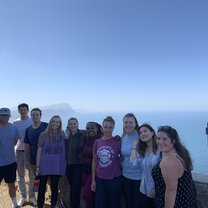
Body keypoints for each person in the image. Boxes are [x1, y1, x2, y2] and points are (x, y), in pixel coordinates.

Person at [152, 125, 198, 208]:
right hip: (187, 201)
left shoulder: (168, 162)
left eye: (165, 139)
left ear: (173, 141)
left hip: (176, 203)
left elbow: (171, 190)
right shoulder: (181, 153)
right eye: (158, 138)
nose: (160, 142)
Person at [91, 116, 122, 208]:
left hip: (114, 179)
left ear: (113, 128)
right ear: (102, 127)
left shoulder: (117, 141)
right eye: (105, 127)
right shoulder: (97, 142)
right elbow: (94, 161)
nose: (108, 129)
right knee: (100, 204)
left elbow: (123, 157)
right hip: (100, 179)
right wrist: (93, 180)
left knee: (115, 203)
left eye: (110, 127)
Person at [36, 115, 66, 208]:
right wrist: (37, 166)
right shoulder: (43, 135)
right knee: (41, 189)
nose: (55, 123)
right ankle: (39, 206)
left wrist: (63, 166)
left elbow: (64, 151)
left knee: (54, 189)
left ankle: (53, 206)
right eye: (53, 121)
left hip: (57, 167)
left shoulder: (62, 134)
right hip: (44, 166)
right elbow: (39, 151)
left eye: (57, 122)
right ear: (50, 123)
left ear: (60, 124)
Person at [130, 124, 160, 208]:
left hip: (157, 190)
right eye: (140, 133)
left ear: (153, 133)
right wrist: (134, 147)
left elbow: (164, 172)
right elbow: (133, 163)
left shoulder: (160, 150)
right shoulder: (142, 150)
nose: (143, 134)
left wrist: (155, 188)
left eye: (145, 131)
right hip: (143, 189)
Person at [13, 103, 35, 206]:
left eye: (24, 109)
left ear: (27, 110)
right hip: (19, 152)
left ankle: (32, 197)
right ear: (19, 111)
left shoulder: (32, 121)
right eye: (21, 110)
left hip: (31, 152)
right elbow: (13, 138)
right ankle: (22, 197)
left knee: (33, 175)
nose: (23, 111)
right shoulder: (15, 123)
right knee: (20, 175)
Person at [0, 107, 21, 208]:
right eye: (2, 115)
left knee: (11, 184)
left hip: (10, 162)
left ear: (9, 116)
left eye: (6, 115)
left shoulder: (14, 128)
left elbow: (15, 142)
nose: (4, 117)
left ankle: (14, 204)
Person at [121, 113, 142, 208]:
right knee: (128, 203)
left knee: (137, 204)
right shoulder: (123, 136)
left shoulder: (140, 136)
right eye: (126, 122)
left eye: (131, 122)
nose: (128, 124)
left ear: (135, 124)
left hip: (139, 177)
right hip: (125, 175)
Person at [65, 117, 85, 208]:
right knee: (72, 187)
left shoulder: (83, 134)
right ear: (68, 126)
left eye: (74, 123)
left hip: (79, 165)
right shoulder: (66, 136)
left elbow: (96, 133)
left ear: (78, 124)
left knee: (75, 189)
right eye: (71, 124)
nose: (73, 125)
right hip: (69, 166)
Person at [82, 121, 102, 208]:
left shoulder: (101, 140)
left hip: (95, 172)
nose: (90, 130)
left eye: (92, 128)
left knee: (87, 194)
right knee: (89, 196)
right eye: (88, 128)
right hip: (85, 170)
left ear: (97, 129)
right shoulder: (87, 139)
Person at [24, 108, 48, 177]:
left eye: (37, 114)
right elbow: (27, 145)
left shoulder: (46, 126)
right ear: (30, 116)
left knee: (48, 181)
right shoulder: (28, 130)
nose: (35, 116)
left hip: (47, 158)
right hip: (34, 160)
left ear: (40, 116)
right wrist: (26, 160)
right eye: (33, 115)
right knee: (37, 180)